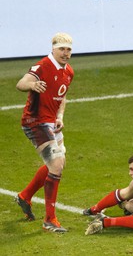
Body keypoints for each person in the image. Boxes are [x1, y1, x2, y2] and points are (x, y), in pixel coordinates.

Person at [14, 33, 74, 232]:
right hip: (35, 122)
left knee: (58, 164)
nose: (65, 53)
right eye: (62, 49)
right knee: (56, 165)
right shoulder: (43, 66)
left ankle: (25, 196)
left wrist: (60, 116)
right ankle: (50, 219)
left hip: (51, 122)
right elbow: (21, 83)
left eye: (69, 49)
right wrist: (32, 84)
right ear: (53, 49)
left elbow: (62, 96)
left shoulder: (69, 72)